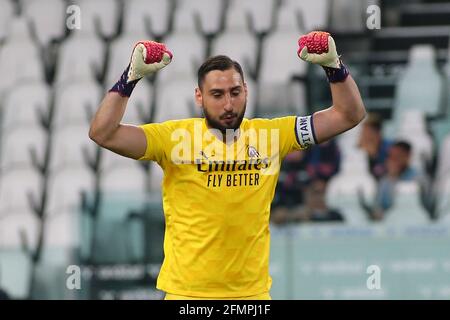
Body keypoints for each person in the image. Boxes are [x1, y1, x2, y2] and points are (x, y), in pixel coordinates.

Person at [89, 31, 366, 300]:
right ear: (199, 97)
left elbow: (348, 114)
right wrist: (130, 78)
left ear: (246, 90)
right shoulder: (173, 139)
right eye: (217, 95)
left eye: (235, 92)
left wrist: (334, 67)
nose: (229, 104)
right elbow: (104, 133)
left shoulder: (272, 136)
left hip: (251, 298)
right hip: (188, 298)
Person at [371, 141, 417, 221]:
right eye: (390, 156)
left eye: (397, 157)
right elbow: (378, 208)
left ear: (407, 157)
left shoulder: (418, 178)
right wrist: (393, 179)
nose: (392, 160)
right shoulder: (385, 181)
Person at [271, 178, 344, 224]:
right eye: (316, 192)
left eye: (323, 192)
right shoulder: (299, 213)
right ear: (307, 194)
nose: (319, 197)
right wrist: (292, 216)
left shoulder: (336, 216)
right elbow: (277, 217)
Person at [358, 113, 392, 180]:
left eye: (367, 131)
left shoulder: (389, 147)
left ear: (377, 132)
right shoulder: (359, 147)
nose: (363, 134)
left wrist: (374, 155)